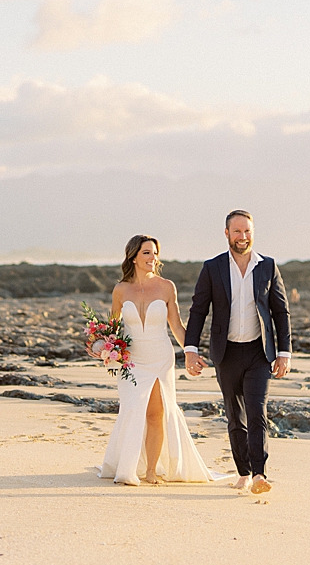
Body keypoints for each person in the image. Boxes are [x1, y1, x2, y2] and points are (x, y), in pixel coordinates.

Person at [96, 234, 226, 486]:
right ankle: (128, 467)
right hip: (131, 361)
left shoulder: (167, 286)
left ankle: (152, 470)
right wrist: (101, 346)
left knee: (156, 413)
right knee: (133, 410)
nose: (152, 258)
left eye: (155, 253)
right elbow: (112, 329)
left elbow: (176, 326)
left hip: (159, 357)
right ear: (133, 257)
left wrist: (191, 351)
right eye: (146, 253)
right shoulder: (120, 290)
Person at [183, 209, 292, 494]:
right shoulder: (213, 267)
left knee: (257, 412)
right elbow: (198, 310)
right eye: (237, 232)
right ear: (227, 234)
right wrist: (190, 350)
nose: (243, 237)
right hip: (227, 352)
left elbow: (281, 312)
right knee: (235, 416)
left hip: (259, 353)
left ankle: (259, 473)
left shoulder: (267, 266)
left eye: (247, 232)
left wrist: (285, 352)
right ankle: (242, 471)